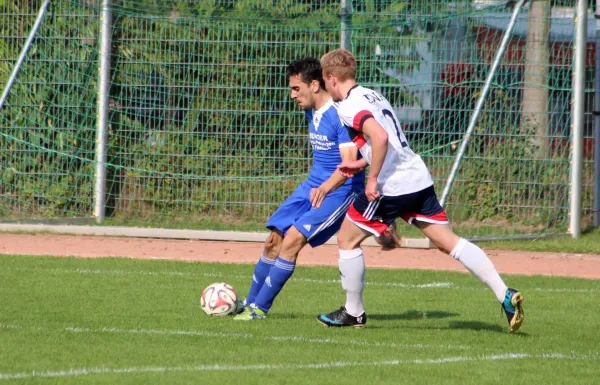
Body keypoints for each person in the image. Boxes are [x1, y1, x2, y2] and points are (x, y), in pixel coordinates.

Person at [315, 48, 524, 332]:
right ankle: (505, 294)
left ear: (331, 78)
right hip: (417, 178)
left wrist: (372, 177)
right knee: (450, 242)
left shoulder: (349, 105)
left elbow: (380, 137)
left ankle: (353, 312)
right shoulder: (372, 94)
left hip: (392, 185)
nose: (327, 88)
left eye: (326, 82)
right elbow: (387, 142)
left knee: (347, 240)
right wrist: (362, 162)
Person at [234, 57, 364, 321]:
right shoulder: (310, 110)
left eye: (296, 88)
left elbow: (350, 165)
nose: (292, 95)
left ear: (315, 85)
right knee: (273, 241)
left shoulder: (340, 116)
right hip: (312, 185)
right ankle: (249, 302)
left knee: (293, 239)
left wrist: (327, 188)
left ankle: (260, 310)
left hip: (340, 189)